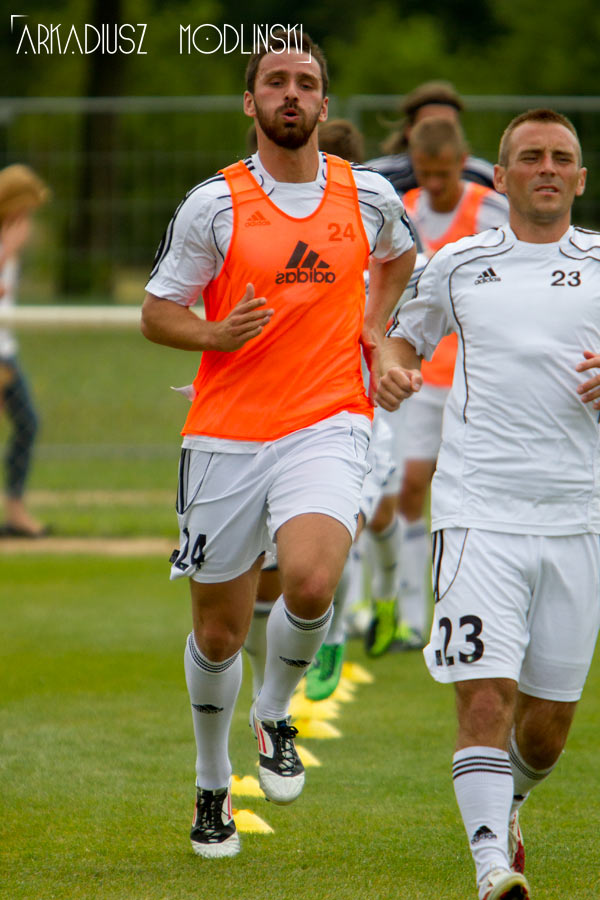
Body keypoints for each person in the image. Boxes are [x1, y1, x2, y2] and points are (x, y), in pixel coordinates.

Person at [141, 29, 415, 859]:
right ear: (250, 102)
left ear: (324, 103)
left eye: (304, 82)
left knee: (312, 578)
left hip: (329, 419)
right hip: (225, 436)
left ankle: (274, 711)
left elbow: (400, 258)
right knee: (219, 635)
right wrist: (214, 334)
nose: (290, 93)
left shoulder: (367, 195)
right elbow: (158, 311)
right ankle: (212, 783)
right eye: (275, 81)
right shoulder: (214, 204)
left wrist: (374, 331)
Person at [377, 108, 600, 900]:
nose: (547, 168)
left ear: (581, 178)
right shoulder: (460, 263)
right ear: (500, 178)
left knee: (545, 732)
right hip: (478, 513)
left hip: (578, 518)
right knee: (484, 696)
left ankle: (509, 806)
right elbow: (402, 338)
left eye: (561, 157)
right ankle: (490, 869)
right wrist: (394, 369)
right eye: (530, 156)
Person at [367, 117, 508, 657]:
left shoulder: (491, 208)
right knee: (408, 489)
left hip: (476, 376)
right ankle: (409, 616)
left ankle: (475, 606)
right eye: (425, 174)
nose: (434, 184)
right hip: (420, 375)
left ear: (462, 163)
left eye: (444, 174)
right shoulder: (404, 210)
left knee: (472, 492)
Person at [0, 164, 50, 538]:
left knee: (27, 423)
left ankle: (15, 511)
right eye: (26, 211)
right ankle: (15, 512)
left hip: (5, 348)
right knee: (27, 422)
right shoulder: (6, 245)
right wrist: (7, 251)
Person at [367, 80, 495, 195]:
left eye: (447, 127)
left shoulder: (484, 178)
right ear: (408, 130)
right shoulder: (378, 178)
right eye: (427, 127)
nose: (437, 135)